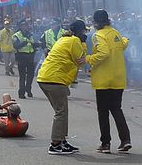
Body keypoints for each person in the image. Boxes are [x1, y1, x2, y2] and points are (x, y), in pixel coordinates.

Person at [79, 9, 131, 154]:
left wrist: (88, 59)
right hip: (118, 78)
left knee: (103, 112)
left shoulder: (98, 35)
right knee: (116, 109)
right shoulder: (115, 33)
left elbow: (104, 53)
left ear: (95, 22)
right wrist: (125, 39)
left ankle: (105, 143)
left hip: (104, 79)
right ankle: (125, 140)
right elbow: (123, 44)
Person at [37, 19, 87, 155]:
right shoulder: (75, 41)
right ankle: (55, 144)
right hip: (54, 79)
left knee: (62, 112)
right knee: (61, 112)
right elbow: (80, 60)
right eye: (84, 31)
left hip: (47, 77)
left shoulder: (63, 39)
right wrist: (83, 43)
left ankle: (62, 141)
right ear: (80, 31)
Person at [13, 19, 37, 99]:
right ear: (20, 26)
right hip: (22, 57)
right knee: (22, 76)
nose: (25, 27)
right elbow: (16, 46)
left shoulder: (30, 34)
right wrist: (24, 42)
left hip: (30, 57)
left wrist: (36, 45)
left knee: (31, 75)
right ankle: (21, 92)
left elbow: (32, 44)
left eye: (26, 25)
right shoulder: (16, 35)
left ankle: (28, 89)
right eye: (24, 25)